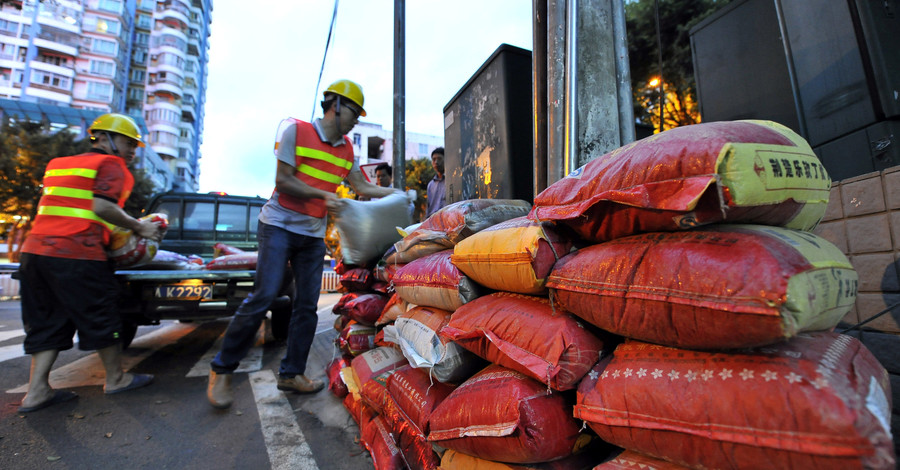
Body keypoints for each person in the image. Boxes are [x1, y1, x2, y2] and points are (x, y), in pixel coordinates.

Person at [207, 79, 403, 409]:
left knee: (305, 305)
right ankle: (222, 368)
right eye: (355, 112)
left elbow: (361, 187)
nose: (356, 120)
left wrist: (397, 194)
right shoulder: (296, 132)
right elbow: (282, 180)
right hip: (279, 225)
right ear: (336, 106)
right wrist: (323, 195)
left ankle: (291, 373)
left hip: (312, 234)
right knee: (265, 294)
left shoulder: (346, 150)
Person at [17, 113, 165, 413]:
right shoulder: (111, 165)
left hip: (35, 253)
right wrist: (140, 228)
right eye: (127, 143)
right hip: (78, 253)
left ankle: (36, 392)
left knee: (46, 320)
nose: (132, 151)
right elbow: (101, 207)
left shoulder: (57, 164)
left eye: (134, 146)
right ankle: (116, 379)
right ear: (104, 138)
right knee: (101, 315)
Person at [426, 147, 446, 218]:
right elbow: (428, 207)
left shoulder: (451, 182)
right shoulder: (431, 185)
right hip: (433, 221)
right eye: (434, 159)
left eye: (439, 159)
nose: (436, 162)